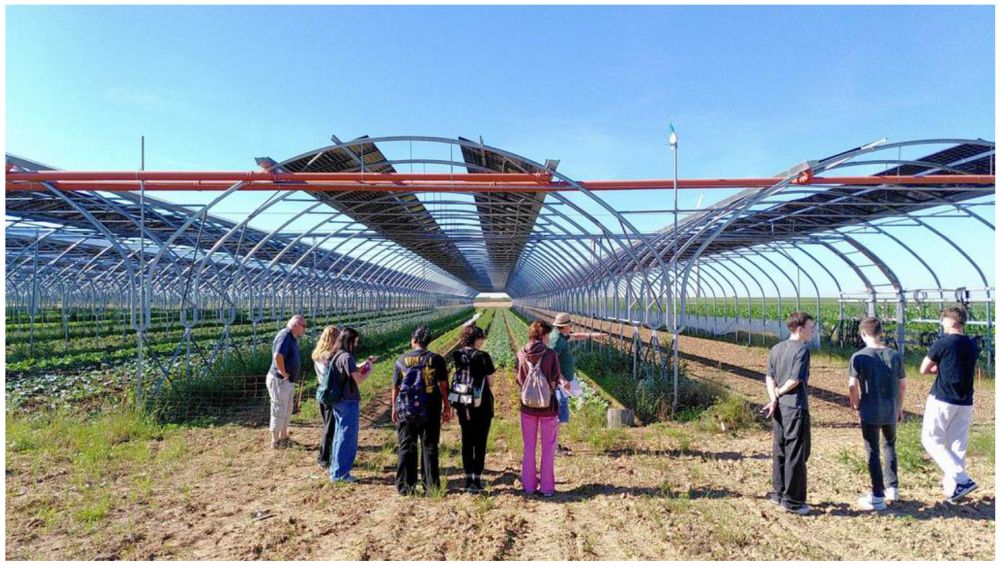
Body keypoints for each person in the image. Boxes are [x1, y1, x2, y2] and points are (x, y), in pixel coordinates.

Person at [920, 306, 981, 503]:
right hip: (965, 400)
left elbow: (924, 368)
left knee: (931, 440)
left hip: (943, 398)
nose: (942, 324)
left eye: (944, 320)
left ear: (953, 322)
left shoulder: (943, 343)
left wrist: (939, 368)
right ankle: (953, 489)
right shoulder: (972, 345)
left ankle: (962, 479)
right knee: (957, 445)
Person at [847, 317, 906, 511]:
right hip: (890, 409)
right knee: (890, 445)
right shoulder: (894, 355)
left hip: (870, 409)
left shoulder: (858, 356)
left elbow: (852, 385)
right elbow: (902, 384)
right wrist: (899, 407)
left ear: (863, 333)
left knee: (872, 450)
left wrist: (856, 404)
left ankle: (878, 494)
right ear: (880, 333)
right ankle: (893, 488)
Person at [763, 311, 814, 515]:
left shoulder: (776, 348)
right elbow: (795, 379)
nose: (812, 331)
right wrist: (779, 392)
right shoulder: (802, 350)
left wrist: (774, 397)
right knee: (796, 453)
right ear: (800, 329)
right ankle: (793, 501)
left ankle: (778, 493)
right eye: (810, 328)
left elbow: (769, 377)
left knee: (780, 449)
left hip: (779, 407)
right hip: (795, 407)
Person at [392, 325, 451, 495]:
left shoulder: (401, 360)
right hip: (430, 408)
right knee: (429, 446)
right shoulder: (436, 359)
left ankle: (405, 487)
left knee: (406, 445)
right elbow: (443, 386)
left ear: (414, 340)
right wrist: (446, 407)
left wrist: (394, 408)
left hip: (406, 409)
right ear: (428, 342)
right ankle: (431, 487)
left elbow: (396, 387)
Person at [516, 320, 566, 498]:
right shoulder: (550, 354)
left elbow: (519, 380)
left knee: (529, 447)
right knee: (548, 448)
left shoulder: (521, 353)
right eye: (548, 335)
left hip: (527, 407)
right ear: (544, 335)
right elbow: (555, 380)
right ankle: (546, 488)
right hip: (548, 407)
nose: (549, 338)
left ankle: (528, 486)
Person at [548, 312, 606, 455]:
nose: (571, 327)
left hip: (561, 383)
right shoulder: (557, 341)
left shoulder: (561, 336)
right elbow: (551, 362)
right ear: (565, 326)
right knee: (557, 416)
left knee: (558, 415)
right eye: (570, 325)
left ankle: (554, 445)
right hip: (559, 385)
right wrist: (562, 380)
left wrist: (592, 335)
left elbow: (575, 336)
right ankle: (553, 448)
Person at [323, 327, 376, 483]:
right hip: (348, 401)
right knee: (348, 438)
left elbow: (352, 369)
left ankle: (335, 470)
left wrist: (366, 363)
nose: (356, 345)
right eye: (355, 341)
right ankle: (341, 474)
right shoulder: (347, 357)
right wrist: (369, 370)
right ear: (349, 341)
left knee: (339, 435)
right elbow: (358, 378)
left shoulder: (336, 354)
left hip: (338, 400)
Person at [451, 324, 496, 492]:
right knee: (480, 442)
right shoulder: (483, 356)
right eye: (481, 338)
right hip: (481, 403)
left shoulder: (457, 355)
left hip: (463, 403)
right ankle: (477, 480)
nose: (482, 341)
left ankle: (468, 478)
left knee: (467, 440)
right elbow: (491, 382)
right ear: (476, 339)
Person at [266, 315, 306, 449]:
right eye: (303, 326)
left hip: (286, 381)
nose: (305, 329)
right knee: (279, 409)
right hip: (280, 380)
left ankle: (283, 436)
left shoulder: (291, 337)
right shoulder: (285, 336)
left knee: (287, 409)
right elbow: (278, 356)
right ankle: (275, 441)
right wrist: (284, 373)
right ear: (296, 325)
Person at [312, 325, 340, 469]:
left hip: (322, 391)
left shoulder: (318, 354)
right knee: (330, 427)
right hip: (330, 393)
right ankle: (323, 458)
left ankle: (327, 455)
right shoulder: (329, 357)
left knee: (327, 425)